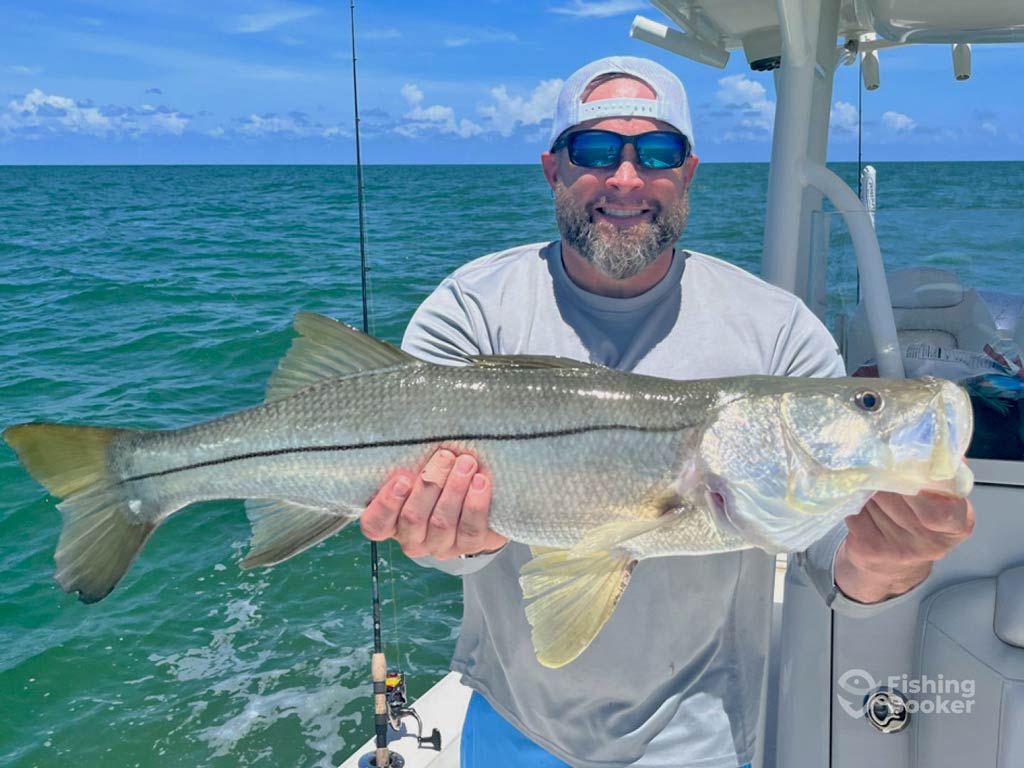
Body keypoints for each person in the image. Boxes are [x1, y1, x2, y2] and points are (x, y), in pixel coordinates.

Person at [359, 56, 974, 768]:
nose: (625, 178)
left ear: (687, 173)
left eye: (657, 152)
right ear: (552, 170)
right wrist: (452, 540)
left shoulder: (778, 332)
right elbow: (446, 542)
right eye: (593, 150)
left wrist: (889, 563)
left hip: (702, 737)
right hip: (514, 722)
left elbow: (832, 562)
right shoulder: (471, 310)